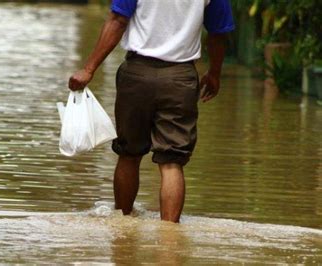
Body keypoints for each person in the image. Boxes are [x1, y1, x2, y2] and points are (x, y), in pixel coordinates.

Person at [68, 0, 235, 223]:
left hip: (137, 74)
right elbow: (218, 32)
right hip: (181, 79)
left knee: (129, 155)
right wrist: (214, 73)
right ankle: (170, 238)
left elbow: (118, 20)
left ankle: (122, 227)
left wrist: (89, 69)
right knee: (172, 161)